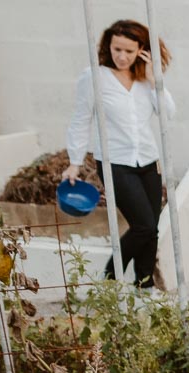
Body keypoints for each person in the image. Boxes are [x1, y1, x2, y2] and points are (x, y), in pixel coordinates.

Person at [63, 19, 175, 288]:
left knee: (152, 230)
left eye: (128, 51)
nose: (122, 56)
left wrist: (153, 79)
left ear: (141, 50)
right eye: (117, 49)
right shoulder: (94, 77)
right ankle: (110, 279)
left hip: (149, 162)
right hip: (116, 163)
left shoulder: (145, 81)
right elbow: (81, 119)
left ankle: (145, 287)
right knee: (144, 226)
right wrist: (74, 162)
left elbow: (168, 114)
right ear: (108, 47)